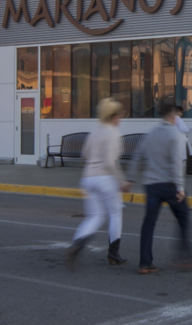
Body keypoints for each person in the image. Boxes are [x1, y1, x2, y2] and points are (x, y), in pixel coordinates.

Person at [130, 102, 192, 274]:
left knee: (149, 223)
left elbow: (137, 156)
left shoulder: (151, 133)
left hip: (151, 185)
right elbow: (176, 163)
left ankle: (145, 263)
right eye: (176, 116)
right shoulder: (174, 135)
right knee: (183, 217)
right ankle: (185, 256)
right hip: (169, 185)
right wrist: (180, 188)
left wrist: (129, 178)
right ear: (172, 116)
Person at [65, 98, 128, 269]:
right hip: (105, 178)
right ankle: (114, 253)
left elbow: (84, 154)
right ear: (113, 116)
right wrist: (122, 181)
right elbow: (110, 162)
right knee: (115, 214)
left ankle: (77, 244)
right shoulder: (113, 133)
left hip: (88, 178)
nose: (121, 119)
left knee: (95, 216)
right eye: (120, 116)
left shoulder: (94, 132)